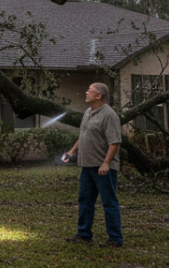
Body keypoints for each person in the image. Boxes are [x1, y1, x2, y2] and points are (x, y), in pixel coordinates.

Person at [61, 82, 123, 247]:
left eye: (90, 90)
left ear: (99, 96)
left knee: (109, 202)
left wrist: (106, 163)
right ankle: (83, 234)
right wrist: (72, 152)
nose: (86, 92)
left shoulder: (109, 115)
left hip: (103, 168)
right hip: (87, 166)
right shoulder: (88, 112)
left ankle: (115, 239)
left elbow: (114, 142)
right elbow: (84, 136)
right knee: (85, 201)